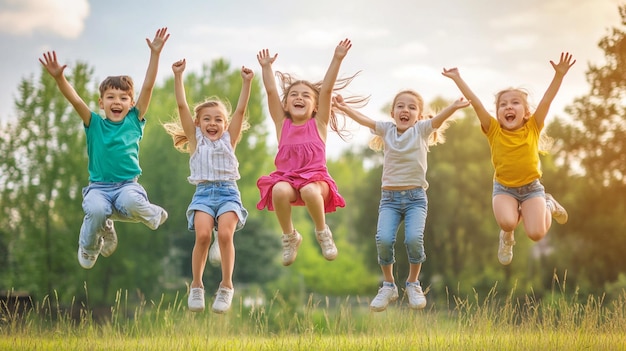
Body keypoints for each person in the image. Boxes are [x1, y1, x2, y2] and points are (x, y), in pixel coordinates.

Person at [38, 27, 170, 269]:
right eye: (110, 97)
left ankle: (146, 213)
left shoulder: (134, 120)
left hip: (127, 186)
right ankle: (90, 245)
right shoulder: (94, 123)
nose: (116, 101)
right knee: (98, 209)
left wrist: (155, 54)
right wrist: (59, 78)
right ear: (101, 102)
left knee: (131, 202)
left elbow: (148, 87)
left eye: (123, 98)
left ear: (131, 103)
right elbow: (76, 100)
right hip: (98, 188)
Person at [334, 91, 469, 311]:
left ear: (419, 115)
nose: (405, 110)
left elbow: (439, 120)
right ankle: (388, 285)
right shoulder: (387, 130)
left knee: (414, 239)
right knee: (384, 239)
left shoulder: (421, 130)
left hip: (416, 198)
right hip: (389, 200)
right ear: (392, 112)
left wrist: (453, 106)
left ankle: (413, 283)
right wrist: (344, 108)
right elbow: (364, 120)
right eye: (400, 106)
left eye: (411, 107)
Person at [442, 52, 575, 265]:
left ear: (526, 113)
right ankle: (506, 236)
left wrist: (559, 75)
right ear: (497, 113)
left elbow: (547, 100)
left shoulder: (533, 127)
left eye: (515, 103)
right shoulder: (493, 130)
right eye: (503, 105)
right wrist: (458, 78)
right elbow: (476, 103)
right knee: (507, 223)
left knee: (536, 234)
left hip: (532, 189)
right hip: (504, 189)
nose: (508, 107)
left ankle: (548, 204)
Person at [256, 39, 364, 266]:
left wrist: (337, 58)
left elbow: (326, 89)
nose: (299, 98)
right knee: (278, 190)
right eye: (294, 94)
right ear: (286, 105)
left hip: (316, 181)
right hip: (288, 180)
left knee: (309, 190)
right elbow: (270, 91)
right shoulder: (281, 123)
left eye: (306, 95)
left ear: (315, 106)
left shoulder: (319, 123)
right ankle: (290, 236)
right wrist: (266, 67)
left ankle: (322, 232)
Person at [163, 59, 253, 313]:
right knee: (202, 235)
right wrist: (178, 76)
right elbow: (181, 105)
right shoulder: (195, 140)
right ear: (198, 123)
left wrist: (246, 83)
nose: (212, 124)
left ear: (225, 125)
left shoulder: (229, 139)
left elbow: (240, 111)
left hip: (228, 193)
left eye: (217, 120)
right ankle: (197, 286)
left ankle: (226, 287)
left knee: (225, 234)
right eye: (206, 119)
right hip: (203, 194)